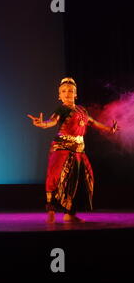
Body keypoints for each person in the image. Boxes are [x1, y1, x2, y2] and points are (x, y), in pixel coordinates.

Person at [28, 77, 119, 223]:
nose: (67, 93)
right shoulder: (61, 109)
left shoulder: (81, 109)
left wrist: (109, 129)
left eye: (70, 91)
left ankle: (69, 214)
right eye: (63, 91)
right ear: (59, 95)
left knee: (77, 181)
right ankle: (51, 211)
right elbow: (52, 121)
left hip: (78, 151)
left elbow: (92, 122)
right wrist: (42, 124)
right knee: (56, 178)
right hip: (62, 148)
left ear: (75, 94)